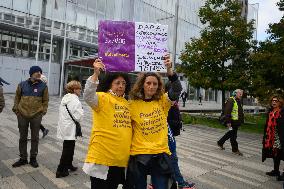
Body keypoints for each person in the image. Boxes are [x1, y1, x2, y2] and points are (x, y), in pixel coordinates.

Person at [125, 54, 182, 189]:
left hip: (160, 154)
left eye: (155, 83)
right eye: (148, 83)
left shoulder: (163, 101)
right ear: (142, 85)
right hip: (139, 155)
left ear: (158, 86)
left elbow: (177, 89)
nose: (151, 86)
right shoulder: (132, 104)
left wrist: (169, 71)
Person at [83, 59, 132, 189]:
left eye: (123, 83)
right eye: (117, 83)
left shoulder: (127, 103)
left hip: (120, 160)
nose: (121, 86)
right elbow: (88, 96)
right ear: (110, 84)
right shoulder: (103, 97)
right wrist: (95, 74)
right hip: (102, 160)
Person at [12, 66, 49, 168]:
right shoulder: (22, 85)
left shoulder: (43, 87)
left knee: (35, 138)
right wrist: (16, 110)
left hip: (36, 116)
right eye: (36, 72)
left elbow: (45, 101)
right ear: (31, 73)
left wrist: (43, 112)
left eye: (40, 72)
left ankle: (33, 158)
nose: (39, 73)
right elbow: (17, 98)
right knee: (22, 137)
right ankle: (23, 158)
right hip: (22, 115)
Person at [56, 80, 84, 178]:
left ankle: (68, 164)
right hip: (70, 127)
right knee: (68, 149)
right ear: (74, 89)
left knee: (69, 147)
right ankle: (60, 170)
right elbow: (78, 117)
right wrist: (82, 111)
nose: (80, 90)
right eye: (79, 88)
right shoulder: (75, 100)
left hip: (65, 126)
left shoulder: (66, 97)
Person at [262, 95, 284, 181]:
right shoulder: (271, 112)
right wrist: (265, 136)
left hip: (280, 137)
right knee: (275, 154)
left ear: (280, 103)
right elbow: (267, 125)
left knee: (282, 153)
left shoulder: (282, 112)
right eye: (272, 101)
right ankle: (276, 170)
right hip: (272, 136)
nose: (274, 102)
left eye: (276, 101)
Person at [217, 89, 244, 156]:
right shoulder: (231, 100)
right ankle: (235, 150)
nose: (241, 95)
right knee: (233, 136)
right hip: (231, 122)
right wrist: (228, 123)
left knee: (230, 134)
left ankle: (220, 142)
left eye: (241, 94)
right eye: (240, 93)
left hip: (236, 122)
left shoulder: (237, 100)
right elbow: (227, 112)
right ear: (235, 93)